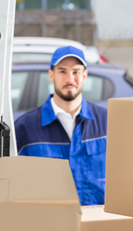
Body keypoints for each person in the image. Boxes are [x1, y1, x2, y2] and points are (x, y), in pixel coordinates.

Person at [15, 46, 107, 206]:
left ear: (85, 75)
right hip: (49, 225)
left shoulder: (108, 122)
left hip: (98, 225)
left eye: (76, 72)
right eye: (62, 71)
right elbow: (15, 185)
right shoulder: (25, 127)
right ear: (51, 75)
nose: (70, 79)